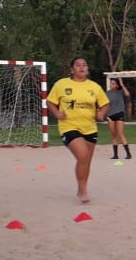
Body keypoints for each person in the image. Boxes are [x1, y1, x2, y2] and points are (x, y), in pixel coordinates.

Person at [46, 57, 109, 203]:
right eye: (78, 65)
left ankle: (82, 188)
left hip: (90, 127)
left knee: (86, 161)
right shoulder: (62, 84)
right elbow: (50, 102)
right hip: (69, 126)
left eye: (84, 65)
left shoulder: (94, 87)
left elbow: (105, 103)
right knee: (82, 155)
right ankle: (82, 190)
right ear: (72, 69)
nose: (81, 67)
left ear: (87, 69)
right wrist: (56, 113)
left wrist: (101, 113)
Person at [106, 77, 132, 160]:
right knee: (113, 135)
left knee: (120, 134)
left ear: (117, 85)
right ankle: (115, 155)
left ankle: (128, 154)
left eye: (113, 83)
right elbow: (105, 104)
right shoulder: (107, 93)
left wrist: (122, 85)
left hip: (119, 114)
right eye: (110, 83)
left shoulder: (120, 92)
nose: (111, 85)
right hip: (110, 115)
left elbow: (127, 94)